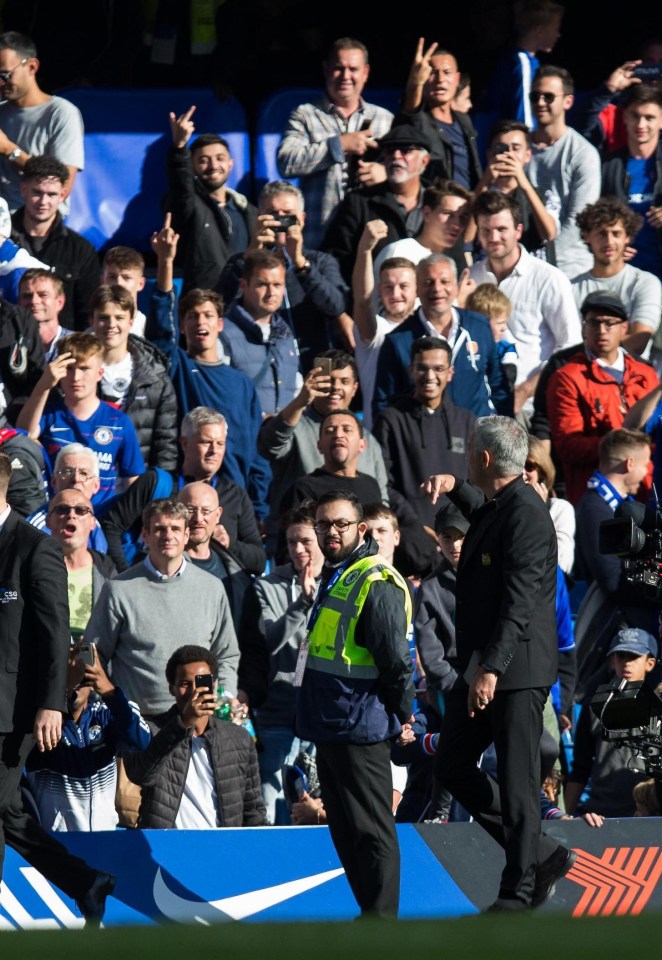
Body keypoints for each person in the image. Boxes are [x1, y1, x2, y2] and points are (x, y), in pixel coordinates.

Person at [423, 416, 575, 911]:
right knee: (452, 763)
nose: (466, 460)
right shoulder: (504, 504)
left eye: (469, 456)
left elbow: (521, 600)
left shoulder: (527, 514)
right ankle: (542, 854)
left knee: (518, 783)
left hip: (512, 672)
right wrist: (455, 488)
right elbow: (488, 516)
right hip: (487, 670)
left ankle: (519, 890)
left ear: (485, 458)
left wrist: (490, 667)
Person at [295, 491, 415, 917]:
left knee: (373, 832)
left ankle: (382, 924)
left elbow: (396, 661)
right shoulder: (339, 574)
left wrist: (406, 714)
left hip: (361, 724)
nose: (331, 531)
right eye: (323, 524)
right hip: (331, 722)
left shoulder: (375, 580)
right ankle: (369, 915)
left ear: (361, 529)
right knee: (345, 831)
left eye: (341, 524)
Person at [145, 216, 271, 524]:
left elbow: (254, 455)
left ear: (220, 324)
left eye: (207, 316)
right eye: (192, 316)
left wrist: (259, 511)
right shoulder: (177, 367)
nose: (200, 322)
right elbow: (161, 332)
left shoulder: (242, 384)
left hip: (233, 502)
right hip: (186, 502)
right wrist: (165, 263)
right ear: (184, 325)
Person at [87, 498, 240, 719]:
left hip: (198, 721)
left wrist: (223, 699)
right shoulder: (118, 589)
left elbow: (226, 654)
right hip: (137, 724)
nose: (168, 536)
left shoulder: (212, 588)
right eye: (159, 529)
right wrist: (106, 703)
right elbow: (92, 654)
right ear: (146, 535)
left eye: (176, 528)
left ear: (186, 535)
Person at [100, 406, 265, 576]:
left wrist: (230, 544)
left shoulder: (234, 495)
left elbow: (259, 560)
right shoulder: (156, 483)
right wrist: (124, 573)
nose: (214, 451)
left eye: (220, 443)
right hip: (155, 590)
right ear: (184, 443)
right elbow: (110, 526)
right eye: (206, 442)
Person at [0, 451, 67, 870]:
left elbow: (56, 633)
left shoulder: (34, 547)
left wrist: (52, 703)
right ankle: (87, 882)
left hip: (12, 711)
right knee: (6, 809)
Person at [123, 645, 266, 829]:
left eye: (200, 682)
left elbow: (253, 809)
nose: (193, 692)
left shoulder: (239, 739)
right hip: (166, 847)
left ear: (214, 686)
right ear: (171, 688)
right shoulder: (151, 730)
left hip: (223, 847)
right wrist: (183, 723)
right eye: (184, 684)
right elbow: (140, 775)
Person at [257, 349, 388, 547]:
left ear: (355, 388)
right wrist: (301, 400)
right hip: (301, 549)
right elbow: (269, 447)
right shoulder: (296, 423)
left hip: (360, 551)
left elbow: (382, 502)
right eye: (328, 380)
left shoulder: (367, 439)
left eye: (344, 381)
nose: (335, 387)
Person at [468, 191, 581, 418]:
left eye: (501, 229)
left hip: (531, 408)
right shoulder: (470, 278)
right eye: (486, 231)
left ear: (518, 231)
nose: (494, 237)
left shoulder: (549, 278)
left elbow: (570, 347)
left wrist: (525, 391)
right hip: (478, 407)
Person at [24, 628, 150, 832]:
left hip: (104, 841)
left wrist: (109, 690)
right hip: (56, 846)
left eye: (82, 677)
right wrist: (62, 691)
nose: (76, 685)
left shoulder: (106, 714)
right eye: (65, 675)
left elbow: (142, 741)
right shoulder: (40, 721)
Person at [276, 36, 394, 249]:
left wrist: (387, 173)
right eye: (339, 68)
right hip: (318, 240)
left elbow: (411, 172)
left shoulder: (385, 119)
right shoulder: (305, 115)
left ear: (365, 73)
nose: (346, 76)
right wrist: (338, 145)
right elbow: (286, 162)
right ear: (325, 69)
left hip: (371, 243)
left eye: (353, 69)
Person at [219, 179, 350, 365]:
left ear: (302, 219)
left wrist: (300, 264)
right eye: (272, 214)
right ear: (259, 217)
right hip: (260, 363)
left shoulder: (320, 261)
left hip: (312, 361)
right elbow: (221, 305)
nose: (280, 221)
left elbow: (336, 306)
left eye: (287, 215)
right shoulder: (241, 261)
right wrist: (250, 257)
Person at [546, 290, 658, 505]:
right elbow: (569, 446)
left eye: (609, 323)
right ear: (583, 328)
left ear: (624, 328)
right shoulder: (567, 377)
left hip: (646, 489)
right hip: (597, 493)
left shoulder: (646, 374)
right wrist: (622, 449)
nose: (601, 330)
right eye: (594, 322)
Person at [16, 331, 146, 512]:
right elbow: (23, 436)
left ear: (100, 373)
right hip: (58, 516)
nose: (76, 377)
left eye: (84, 368)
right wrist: (44, 385)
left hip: (102, 518)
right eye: (69, 368)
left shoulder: (118, 421)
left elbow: (133, 481)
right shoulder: (49, 414)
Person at [250, 504, 323, 825]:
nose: (297, 549)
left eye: (305, 541)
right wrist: (301, 605)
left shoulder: (340, 583)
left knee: (316, 808)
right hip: (278, 712)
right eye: (292, 541)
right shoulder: (266, 586)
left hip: (324, 716)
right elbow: (268, 643)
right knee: (271, 808)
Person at [373, 252, 508, 419]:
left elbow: (498, 387)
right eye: (428, 282)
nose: (437, 289)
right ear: (417, 289)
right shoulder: (398, 341)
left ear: (457, 286)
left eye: (444, 282)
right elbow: (383, 403)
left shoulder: (479, 327)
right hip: (423, 439)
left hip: (477, 437)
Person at [373, 336, 475, 537]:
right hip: (410, 536)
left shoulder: (467, 421)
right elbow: (383, 482)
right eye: (422, 368)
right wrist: (414, 526)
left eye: (438, 369)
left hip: (461, 536)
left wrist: (461, 527)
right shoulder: (391, 419)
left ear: (450, 373)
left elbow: (476, 483)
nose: (429, 376)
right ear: (411, 370)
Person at [321, 123, 433, 286]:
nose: (395, 156)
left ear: (425, 160)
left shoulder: (438, 202)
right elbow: (336, 259)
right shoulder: (360, 202)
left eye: (405, 151)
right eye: (389, 152)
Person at [565, 627, 659, 818]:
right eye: (621, 656)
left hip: (649, 814)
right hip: (599, 816)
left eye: (634, 656)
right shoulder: (594, 708)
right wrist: (565, 817)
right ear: (612, 661)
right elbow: (580, 770)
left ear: (650, 663)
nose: (627, 663)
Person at [88, 283, 179, 472]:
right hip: (87, 482)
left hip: (137, 484)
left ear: (131, 321)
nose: (112, 324)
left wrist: (157, 490)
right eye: (104, 318)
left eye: (119, 317)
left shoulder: (155, 376)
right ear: (92, 321)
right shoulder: (75, 371)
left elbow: (166, 445)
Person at [166, 106, 256, 293]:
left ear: (231, 164)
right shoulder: (189, 207)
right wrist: (179, 148)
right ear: (192, 166)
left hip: (243, 306)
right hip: (204, 309)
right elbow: (181, 188)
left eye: (220, 158)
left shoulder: (249, 211)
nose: (213, 165)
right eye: (204, 160)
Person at [527, 64, 602, 278]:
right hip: (522, 266)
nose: (540, 103)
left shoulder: (583, 153)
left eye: (549, 97)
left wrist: (539, 263)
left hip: (569, 270)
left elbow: (578, 222)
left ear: (568, 101)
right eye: (535, 96)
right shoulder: (518, 147)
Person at [10, 155, 99, 328]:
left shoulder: (80, 251)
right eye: (37, 192)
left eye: (51, 194)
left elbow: (88, 315)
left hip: (63, 349)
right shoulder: (3, 241)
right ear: (23, 189)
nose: (43, 202)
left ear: (63, 195)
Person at [0, 31, 84, 214]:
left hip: (37, 224)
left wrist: (9, 150)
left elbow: (63, 187)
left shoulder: (62, 114)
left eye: (5, 75)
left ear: (31, 67)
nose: (0, 83)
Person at [573, 197, 662, 357]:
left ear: (627, 237)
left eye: (616, 233)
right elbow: (567, 341)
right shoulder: (570, 287)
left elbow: (638, 342)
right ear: (586, 236)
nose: (609, 241)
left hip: (631, 377)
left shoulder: (646, 283)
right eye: (601, 233)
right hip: (579, 377)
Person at [220, 249, 301, 418]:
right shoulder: (224, 333)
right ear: (243, 285)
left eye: (277, 285)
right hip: (244, 437)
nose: (271, 293)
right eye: (262, 284)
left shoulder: (286, 335)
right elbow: (219, 393)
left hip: (285, 439)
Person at [394, 40, 482, 189]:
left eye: (447, 72)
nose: (440, 80)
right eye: (432, 73)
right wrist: (415, 83)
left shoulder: (464, 120)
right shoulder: (419, 120)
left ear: (457, 79)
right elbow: (410, 112)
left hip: (467, 206)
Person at [601, 84, 662, 286]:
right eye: (635, 116)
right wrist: (612, 245)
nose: (641, 124)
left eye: (649, 117)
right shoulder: (608, 166)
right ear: (625, 117)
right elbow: (592, 220)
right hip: (622, 279)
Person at [471, 120, 558, 259]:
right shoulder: (480, 193)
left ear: (528, 155)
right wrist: (485, 182)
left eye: (515, 148)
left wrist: (524, 184)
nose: (509, 155)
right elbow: (466, 238)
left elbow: (549, 234)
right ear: (489, 154)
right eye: (501, 148)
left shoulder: (542, 195)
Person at [352, 250, 418, 429]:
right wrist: (365, 250)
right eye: (388, 286)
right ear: (379, 290)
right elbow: (362, 302)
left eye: (403, 286)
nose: (395, 294)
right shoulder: (376, 329)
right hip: (378, 434)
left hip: (420, 436)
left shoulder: (427, 331)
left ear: (417, 289)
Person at [476, 1, 564, 131]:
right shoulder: (521, 64)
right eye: (556, 29)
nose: (558, 35)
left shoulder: (519, 59)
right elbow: (523, 118)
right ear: (540, 31)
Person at [281, 408, 383, 516]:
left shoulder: (371, 484)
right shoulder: (305, 488)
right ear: (319, 446)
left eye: (347, 429)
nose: (338, 435)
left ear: (362, 445)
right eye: (330, 430)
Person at [44, 488, 116, 635]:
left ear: (93, 523)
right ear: (48, 521)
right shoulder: (31, 568)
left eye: (81, 510)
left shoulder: (108, 572)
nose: (71, 515)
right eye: (61, 509)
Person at [372, 179, 474, 279]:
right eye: (448, 214)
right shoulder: (398, 252)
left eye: (463, 217)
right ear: (427, 214)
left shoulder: (459, 263)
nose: (456, 224)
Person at [18, 267, 73, 360]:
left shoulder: (78, 344)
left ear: (59, 302)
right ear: (18, 302)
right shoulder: (7, 345)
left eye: (43, 295)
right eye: (27, 296)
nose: (34, 301)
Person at [100, 246, 149, 338]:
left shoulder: (148, 331)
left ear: (141, 284)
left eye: (126, 278)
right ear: (102, 281)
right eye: (112, 277)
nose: (119, 283)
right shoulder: (92, 334)